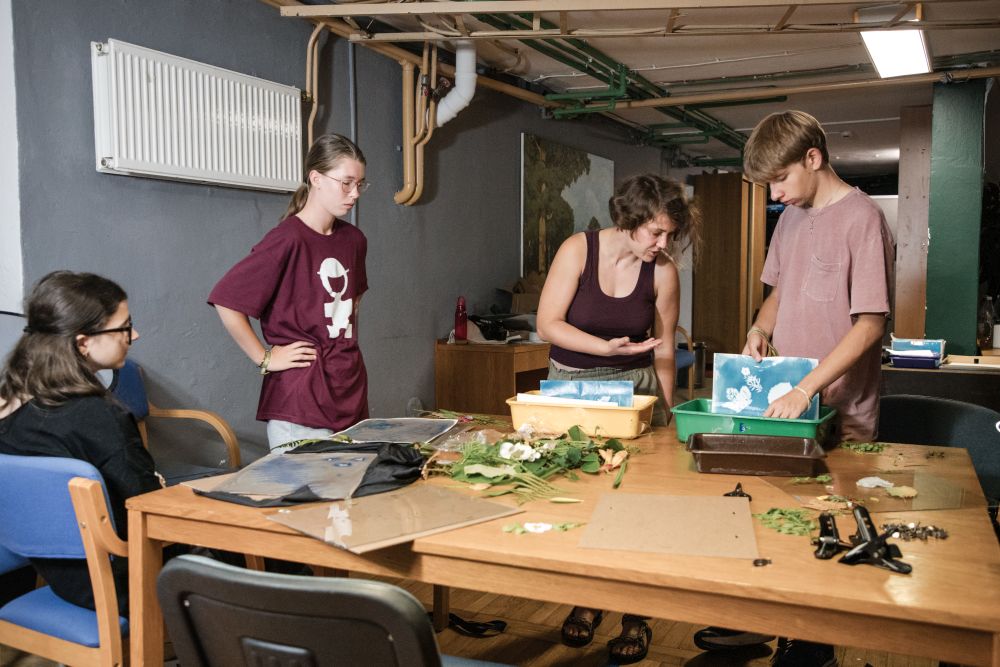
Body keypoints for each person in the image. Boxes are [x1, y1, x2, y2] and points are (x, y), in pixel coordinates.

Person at [696, 110, 894, 667]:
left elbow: (870, 324)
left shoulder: (864, 219)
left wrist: (806, 389)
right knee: (768, 516)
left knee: (822, 528)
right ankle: (760, 619)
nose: (775, 194)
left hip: (837, 411)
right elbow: (779, 293)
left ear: (814, 157)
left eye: (780, 179)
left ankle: (809, 645)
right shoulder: (789, 217)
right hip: (785, 404)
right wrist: (759, 329)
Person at [536, 173, 700, 665]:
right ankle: (587, 601)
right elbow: (547, 324)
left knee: (638, 508)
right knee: (582, 504)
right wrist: (602, 348)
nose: (663, 244)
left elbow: (665, 349)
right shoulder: (577, 250)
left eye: (670, 234)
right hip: (572, 388)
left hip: (636, 392)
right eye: (656, 232)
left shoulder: (663, 273)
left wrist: (666, 415)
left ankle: (636, 615)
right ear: (629, 220)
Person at [0, 271, 158, 614]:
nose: (134, 335)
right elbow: (150, 510)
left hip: (63, 579)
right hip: (129, 584)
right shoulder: (98, 416)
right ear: (83, 342)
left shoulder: (8, 408)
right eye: (124, 327)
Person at [209, 134, 370, 450]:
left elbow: (353, 300)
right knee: (307, 483)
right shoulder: (288, 238)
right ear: (316, 179)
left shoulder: (354, 240)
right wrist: (265, 357)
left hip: (348, 388)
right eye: (346, 183)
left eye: (360, 185)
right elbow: (226, 299)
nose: (354, 194)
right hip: (300, 398)